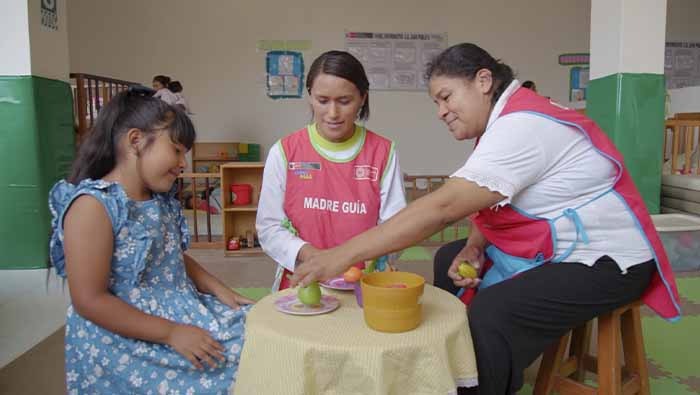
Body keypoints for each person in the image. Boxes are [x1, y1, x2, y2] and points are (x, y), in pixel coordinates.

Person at [289, 43, 680, 394]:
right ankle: (457, 366)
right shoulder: (505, 121)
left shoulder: (522, 126)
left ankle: (476, 382)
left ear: (483, 81)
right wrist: (475, 247)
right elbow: (493, 205)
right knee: (448, 258)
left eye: (446, 97)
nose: (442, 112)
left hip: (608, 261)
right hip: (559, 247)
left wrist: (340, 255)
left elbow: (444, 208)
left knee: (493, 312)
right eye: (436, 103)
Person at [49, 86, 254, 394]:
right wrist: (172, 333)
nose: (183, 163)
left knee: (258, 330)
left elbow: (170, 255)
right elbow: (89, 300)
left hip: (179, 310)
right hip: (128, 334)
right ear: (136, 141)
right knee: (239, 358)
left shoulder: (157, 198)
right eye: (176, 150)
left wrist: (218, 288)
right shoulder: (93, 206)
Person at [255, 50, 406, 291]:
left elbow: (397, 227)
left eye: (344, 101)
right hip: (303, 282)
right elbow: (269, 227)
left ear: (362, 98)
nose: (332, 113)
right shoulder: (284, 151)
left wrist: (347, 261)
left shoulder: (384, 152)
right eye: (322, 101)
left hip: (365, 283)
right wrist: (316, 258)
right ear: (310, 97)